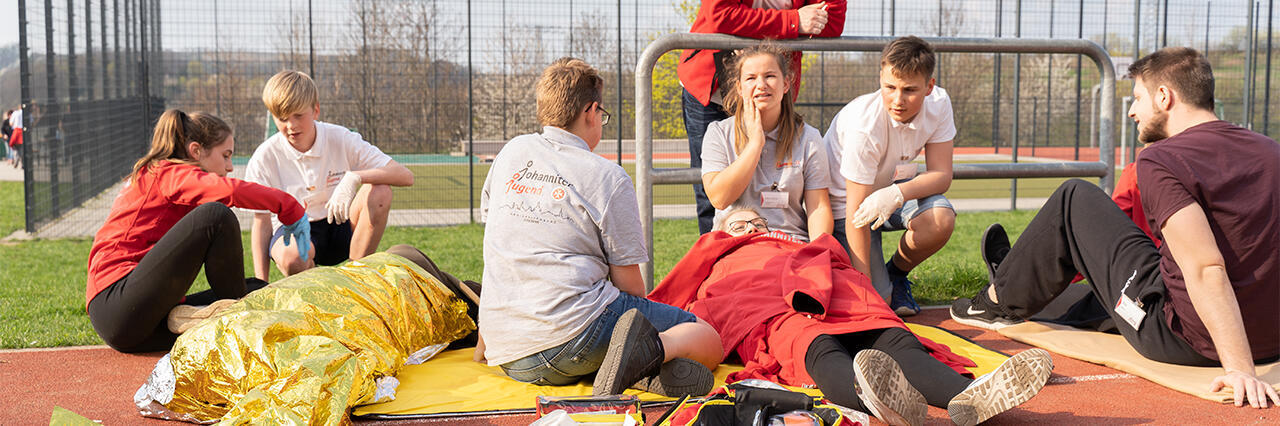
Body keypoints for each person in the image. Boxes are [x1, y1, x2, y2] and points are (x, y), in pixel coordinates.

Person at [951, 47, 1280, 409]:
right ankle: (1022, 276)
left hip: (1185, 340)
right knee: (1131, 272)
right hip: (1272, 339)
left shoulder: (1162, 158)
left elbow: (1206, 268)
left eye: (1137, 98)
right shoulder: (1271, 150)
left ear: (1164, 96)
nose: (1131, 111)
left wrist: (1240, 368)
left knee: (1074, 196)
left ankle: (993, 301)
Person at [650, 207, 1053, 426]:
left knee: (891, 337)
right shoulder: (720, 257)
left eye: (759, 221)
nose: (754, 226)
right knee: (815, 344)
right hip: (774, 304)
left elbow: (834, 258)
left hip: (832, 288)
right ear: (721, 233)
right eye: (741, 223)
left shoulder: (791, 242)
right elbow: (704, 303)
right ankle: (878, 398)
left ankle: (967, 398)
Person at [478, 58, 722, 398]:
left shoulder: (511, 152)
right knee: (707, 339)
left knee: (606, 326)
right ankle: (647, 355)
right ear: (591, 112)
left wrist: (485, 339)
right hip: (574, 338)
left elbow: (498, 248)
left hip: (510, 354)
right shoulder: (606, 175)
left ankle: (621, 365)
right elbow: (631, 288)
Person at [86, 109, 311, 353]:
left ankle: (205, 318)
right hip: (117, 306)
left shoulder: (164, 176)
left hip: (144, 324)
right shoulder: (167, 172)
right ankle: (237, 319)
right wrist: (288, 207)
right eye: (225, 156)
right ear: (196, 151)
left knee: (256, 289)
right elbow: (231, 192)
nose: (229, 167)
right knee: (216, 216)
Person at [680, 0, 847, 234]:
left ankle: (781, 243)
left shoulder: (809, 136)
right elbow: (719, 14)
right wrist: (793, 21)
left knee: (781, 177)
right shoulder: (719, 129)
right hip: (712, 87)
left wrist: (748, 26)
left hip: (773, 81)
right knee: (712, 197)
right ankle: (717, 260)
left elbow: (832, 22)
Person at [824, 36, 957, 317]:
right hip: (846, 207)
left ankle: (896, 275)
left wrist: (896, 194)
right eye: (889, 87)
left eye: (910, 90)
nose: (898, 100)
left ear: (929, 87)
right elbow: (855, 216)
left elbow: (942, 175)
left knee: (940, 218)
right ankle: (880, 289)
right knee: (877, 303)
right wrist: (866, 291)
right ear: (880, 78)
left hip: (889, 190)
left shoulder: (940, 103)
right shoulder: (865, 127)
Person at [245, 70, 414, 280]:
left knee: (380, 190)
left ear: (315, 110)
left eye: (298, 115)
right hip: (296, 231)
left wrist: (355, 177)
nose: (291, 126)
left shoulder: (340, 137)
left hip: (341, 223)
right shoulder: (264, 157)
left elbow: (405, 176)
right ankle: (313, 285)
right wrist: (261, 283)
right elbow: (261, 222)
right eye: (282, 118)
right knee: (292, 256)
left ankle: (357, 279)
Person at [700, 43, 833, 242]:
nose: (761, 85)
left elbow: (819, 207)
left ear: (786, 83)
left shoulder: (808, 137)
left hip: (790, 242)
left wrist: (817, 251)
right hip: (736, 244)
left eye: (770, 76)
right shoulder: (718, 133)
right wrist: (755, 144)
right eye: (751, 78)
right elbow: (719, 198)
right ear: (739, 87)